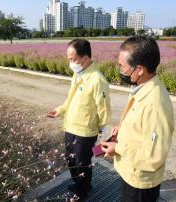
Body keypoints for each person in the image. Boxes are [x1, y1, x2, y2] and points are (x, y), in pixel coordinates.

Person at [101, 36, 174, 202]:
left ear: (139, 69)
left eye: (122, 66)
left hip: (141, 181)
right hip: (132, 171)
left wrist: (118, 149)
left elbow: (154, 157)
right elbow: (140, 123)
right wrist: (123, 128)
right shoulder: (143, 86)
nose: (120, 70)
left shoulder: (155, 105)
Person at [47, 39, 111, 200]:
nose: (70, 63)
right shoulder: (78, 74)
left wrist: (102, 129)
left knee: (82, 163)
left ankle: (81, 191)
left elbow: (103, 108)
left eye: (73, 59)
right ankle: (79, 184)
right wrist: (59, 110)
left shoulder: (97, 79)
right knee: (71, 160)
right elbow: (70, 99)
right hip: (70, 127)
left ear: (86, 58)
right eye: (69, 59)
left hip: (85, 131)